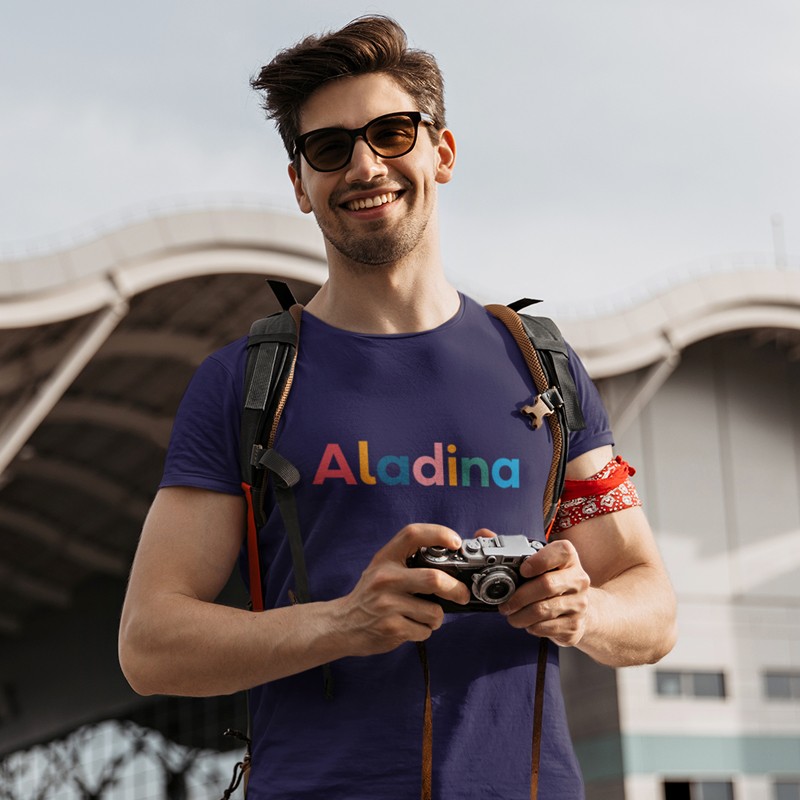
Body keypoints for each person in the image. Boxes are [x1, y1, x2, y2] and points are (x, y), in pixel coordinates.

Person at [119, 15, 677, 799]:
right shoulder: (243, 382)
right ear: (299, 184)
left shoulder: (542, 366)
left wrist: (581, 609)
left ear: (441, 152)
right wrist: (342, 623)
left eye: (391, 133)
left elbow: (651, 606)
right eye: (329, 148)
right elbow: (149, 644)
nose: (365, 165)